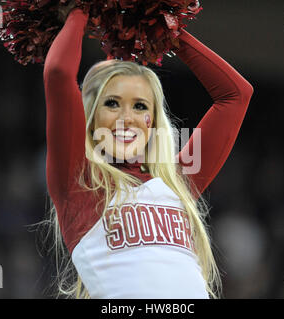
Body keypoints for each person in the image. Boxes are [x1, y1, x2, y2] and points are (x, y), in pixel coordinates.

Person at [43, 7, 253, 299]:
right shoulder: (79, 184)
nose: (126, 118)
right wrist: (81, 9)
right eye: (112, 103)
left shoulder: (177, 183)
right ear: (90, 118)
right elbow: (58, 72)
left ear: (153, 122)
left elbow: (236, 95)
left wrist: (165, 29)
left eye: (140, 106)